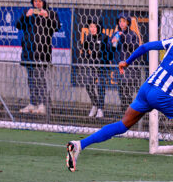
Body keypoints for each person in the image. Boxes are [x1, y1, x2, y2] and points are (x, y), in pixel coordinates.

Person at [66, 37, 173, 172]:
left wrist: (127, 62)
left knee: (123, 125)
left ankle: (79, 145)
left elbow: (144, 47)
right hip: (161, 94)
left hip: (147, 88)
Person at [15, 0, 60, 115]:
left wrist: (47, 17)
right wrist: (26, 16)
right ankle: (33, 103)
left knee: (40, 78)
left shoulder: (51, 13)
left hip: (42, 53)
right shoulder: (27, 12)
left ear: (44, 2)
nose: (37, 3)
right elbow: (18, 25)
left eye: (40, 1)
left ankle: (43, 104)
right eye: (35, 1)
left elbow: (57, 27)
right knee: (31, 79)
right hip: (28, 53)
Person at [78, 17, 112, 118]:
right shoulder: (88, 37)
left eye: (94, 27)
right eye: (90, 27)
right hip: (93, 66)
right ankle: (95, 105)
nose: (92, 29)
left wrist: (104, 58)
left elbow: (110, 52)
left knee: (100, 86)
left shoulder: (105, 37)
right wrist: (86, 55)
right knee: (88, 85)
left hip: (102, 66)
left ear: (99, 27)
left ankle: (100, 109)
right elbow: (83, 49)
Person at [111, 12, 141, 112]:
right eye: (120, 21)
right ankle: (123, 113)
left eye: (124, 21)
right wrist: (112, 42)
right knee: (121, 92)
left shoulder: (133, 34)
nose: (121, 23)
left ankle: (129, 113)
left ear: (128, 22)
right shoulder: (116, 34)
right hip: (119, 68)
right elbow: (111, 50)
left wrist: (123, 38)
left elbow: (134, 49)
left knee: (128, 93)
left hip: (129, 69)